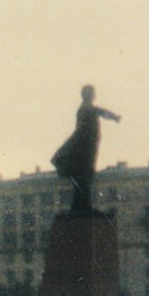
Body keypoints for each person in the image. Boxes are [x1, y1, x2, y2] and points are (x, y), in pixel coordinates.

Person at [51, 84, 122, 215]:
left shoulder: (84, 109)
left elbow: (100, 112)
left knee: (82, 178)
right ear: (89, 95)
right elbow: (101, 112)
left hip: (85, 147)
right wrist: (115, 117)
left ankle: (80, 206)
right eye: (92, 93)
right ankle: (83, 206)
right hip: (85, 149)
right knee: (84, 177)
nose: (94, 95)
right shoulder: (87, 108)